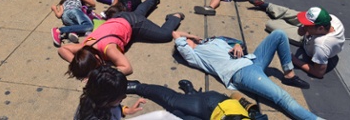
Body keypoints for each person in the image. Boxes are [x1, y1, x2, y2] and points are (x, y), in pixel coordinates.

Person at [173, 30, 321, 120]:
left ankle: (289, 74)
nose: (186, 41)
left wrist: (237, 45)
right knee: (282, 97)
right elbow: (176, 35)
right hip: (241, 72)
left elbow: (237, 42)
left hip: (252, 59)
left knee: (279, 34)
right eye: (186, 41)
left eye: (187, 40)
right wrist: (191, 35)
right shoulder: (194, 55)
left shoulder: (213, 40)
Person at [78, 65, 267, 120]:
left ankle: (191, 93)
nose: (123, 98)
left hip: (209, 111)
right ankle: (190, 95)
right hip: (212, 103)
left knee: (172, 114)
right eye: (121, 96)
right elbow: (238, 98)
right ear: (106, 99)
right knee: (171, 107)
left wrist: (126, 110)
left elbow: (113, 109)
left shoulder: (98, 102)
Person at [58, 0, 184, 78]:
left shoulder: (109, 49)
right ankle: (152, 0)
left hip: (133, 24)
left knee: (164, 35)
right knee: (138, 13)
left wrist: (99, 75)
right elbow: (62, 49)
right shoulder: (85, 46)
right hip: (118, 19)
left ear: (97, 58)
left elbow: (127, 68)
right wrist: (75, 62)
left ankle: (175, 17)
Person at [255, 1, 345, 78]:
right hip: (312, 33)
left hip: (306, 40)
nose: (303, 25)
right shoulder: (332, 19)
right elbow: (309, 27)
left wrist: (295, 60)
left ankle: (274, 12)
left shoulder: (321, 45)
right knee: (293, 14)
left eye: (307, 25)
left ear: (320, 28)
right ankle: (268, 6)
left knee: (270, 24)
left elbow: (319, 73)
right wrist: (306, 28)